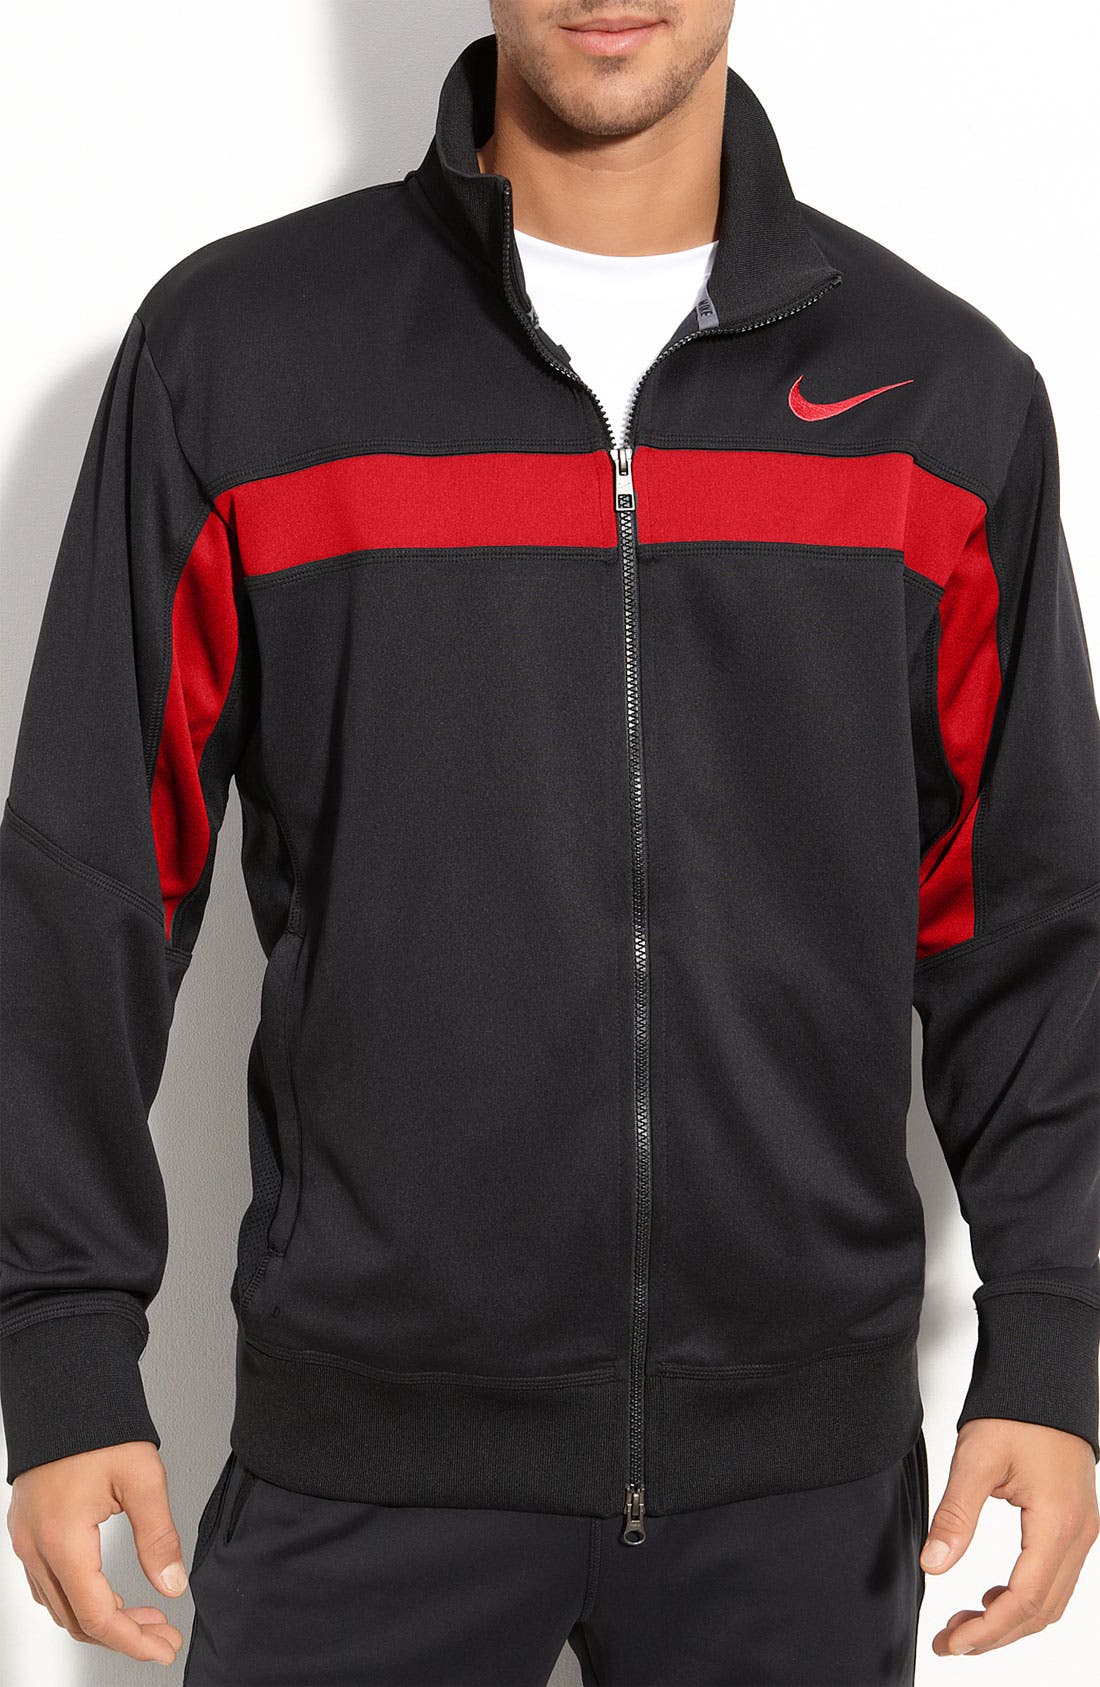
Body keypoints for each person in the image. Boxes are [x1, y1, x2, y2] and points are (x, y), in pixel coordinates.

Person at [2, 4, 1098, 1683]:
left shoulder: (940, 401)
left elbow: (1025, 918)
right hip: (365, 1459)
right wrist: (62, 1338)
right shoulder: (243, 357)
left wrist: (1056, 1330)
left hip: (796, 1487)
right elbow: (88, 877)